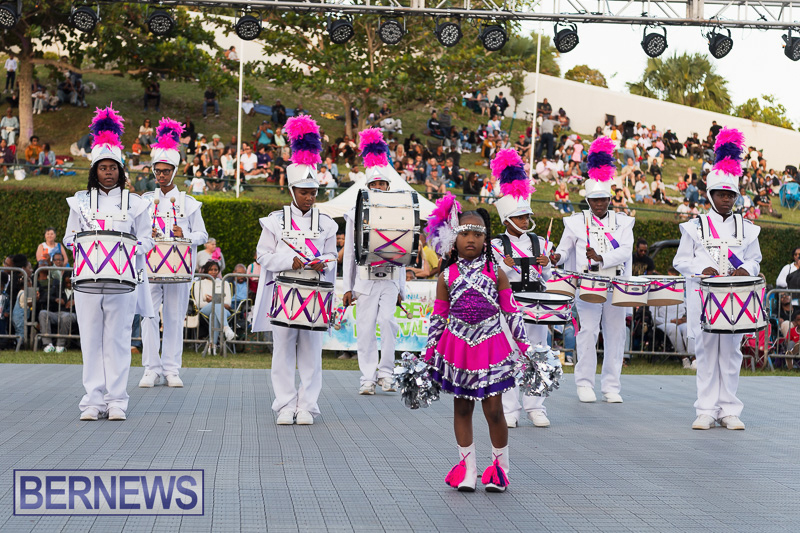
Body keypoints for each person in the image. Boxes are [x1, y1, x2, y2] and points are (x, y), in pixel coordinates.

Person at [423, 200, 541, 493]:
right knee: (461, 408)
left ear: (486, 239)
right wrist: (429, 354)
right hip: (457, 348)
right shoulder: (445, 277)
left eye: (477, 233)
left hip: (492, 347)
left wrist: (525, 346)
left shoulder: (497, 272)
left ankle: (500, 470)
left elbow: (511, 312)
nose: (471, 239)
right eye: (465, 233)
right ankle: (468, 470)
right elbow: (438, 318)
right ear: (454, 238)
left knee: (494, 411)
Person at [63, 105, 155, 421]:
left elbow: (147, 240)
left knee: (117, 340)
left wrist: (127, 248)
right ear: (94, 170)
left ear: (120, 171)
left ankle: (117, 400)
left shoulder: (136, 203)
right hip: (87, 280)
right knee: (90, 339)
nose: (108, 172)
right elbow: (68, 238)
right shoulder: (79, 200)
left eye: (113, 168)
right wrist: (84, 243)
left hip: (123, 280)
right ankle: (92, 399)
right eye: (103, 167)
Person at [673, 127, 762, 431]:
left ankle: (729, 409)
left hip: (736, 300)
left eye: (731, 195)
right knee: (707, 353)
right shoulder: (694, 226)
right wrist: (702, 269)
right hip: (705, 298)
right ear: (710, 195)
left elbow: (755, 260)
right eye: (721, 194)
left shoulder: (747, 228)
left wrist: (746, 270)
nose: (726, 199)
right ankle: (705, 409)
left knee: (732, 353)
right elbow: (681, 261)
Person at [251, 116, 337, 426]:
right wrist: (290, 261)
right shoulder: (274, 221)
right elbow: (262, 255)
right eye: (303, 191)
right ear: (291, 190)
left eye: (313, 192)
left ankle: (308, 406)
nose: (309, 196)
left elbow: (331, 254)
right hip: (284, 292)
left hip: (314, 292)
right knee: (283, 350)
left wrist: (322, 262)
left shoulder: (327, 223)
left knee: (312, 351)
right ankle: (285, 404)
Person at [551, 137, 635, 404]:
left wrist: (602, 257)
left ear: (610, 198)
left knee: (616, 333)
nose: (599, 204)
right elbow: (564, 250)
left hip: (616, 285)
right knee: (587, 331)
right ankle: (584, 383)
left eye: (603, 199)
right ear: (587, 200)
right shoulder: (575, 222)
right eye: (594, 200)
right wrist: (556, 256)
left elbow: (625, 250)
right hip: (586, 285)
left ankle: (611, 386)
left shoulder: (623, 222)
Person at [139, 118, 209, 389]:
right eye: (158, 171)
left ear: (174, 171)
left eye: (166, 171)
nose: (162, 176)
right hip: (151, 267)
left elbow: (203, 235)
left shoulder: (188, 203)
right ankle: (150, 368)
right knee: (148, 316)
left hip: (179, 269)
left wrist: (185, 236)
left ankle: (171, 368)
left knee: (174, 317)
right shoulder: (144, 201)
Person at [489, 149, 553, 429]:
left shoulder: (540, 242)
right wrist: (505, 266)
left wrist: (546, 263)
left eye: (527, 217)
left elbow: (549, 276)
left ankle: (536, 406)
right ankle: (510, 409)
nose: (526, 221)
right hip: (510, 306)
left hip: (536, 302)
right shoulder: (495, 245)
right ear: (507, 220)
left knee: (537, 352)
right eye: (521, 217)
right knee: (511, 353)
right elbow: (492, 278)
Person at [343, 129, 405, 396]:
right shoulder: (353, 213)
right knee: (366, 327)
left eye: (383, 185)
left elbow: (404, 250)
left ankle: (387, 373)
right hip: (365, 278)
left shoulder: (399, 210)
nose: (379, 189)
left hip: (390, 277)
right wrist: (347, 285)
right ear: (366, 187)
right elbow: (348, 252)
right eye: (374, 185)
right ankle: (367, 376)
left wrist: (402, 288)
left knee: (389, 323)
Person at [38, 271, 76, 353]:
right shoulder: (58, 288)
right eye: (66, 283)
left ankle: (60, 345)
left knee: (65, 316)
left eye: (70, 283)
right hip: (57, 313)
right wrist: (55, 299)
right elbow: (45, 296)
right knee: (43, 313)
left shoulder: (79, 290)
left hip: (73, 314)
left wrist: (76, 302)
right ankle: (47, 344)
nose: (69, 285)